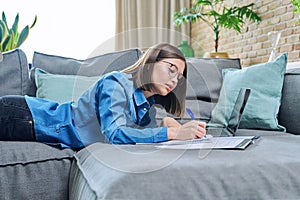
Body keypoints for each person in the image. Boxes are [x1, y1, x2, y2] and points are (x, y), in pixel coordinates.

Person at [0, 43, 206, 149]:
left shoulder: (144, 104)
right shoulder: (116, 83)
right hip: (25, 115)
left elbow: (136, 133)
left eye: (179, 77)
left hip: (29, 118)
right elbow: (115, 134)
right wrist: (172, 134)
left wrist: (165, 124)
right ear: (151, 61)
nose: (175, 80)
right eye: (171, 69)